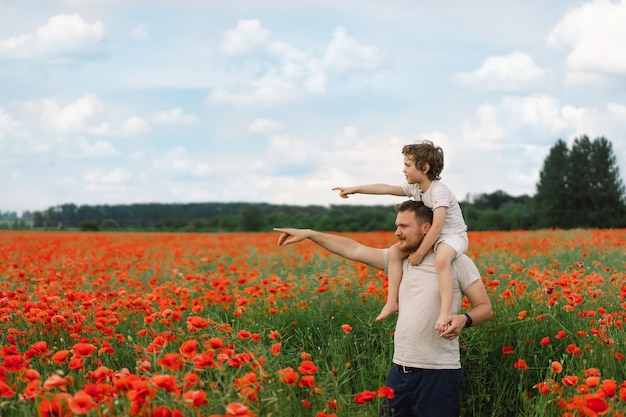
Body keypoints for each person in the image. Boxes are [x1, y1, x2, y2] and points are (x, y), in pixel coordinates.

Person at [274, 200, 491, 417]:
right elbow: (354, 249)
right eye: (397, 226)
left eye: (404, 227)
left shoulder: (456, 262)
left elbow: (484, 308)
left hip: (440, 375)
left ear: (426, 228)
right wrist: (311, 234)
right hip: (400, 372)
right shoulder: (400, 260)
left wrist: (465, 319)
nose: (397, 232)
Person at [333, 140, 468, 332]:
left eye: (407, 165)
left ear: (424, 168)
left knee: (441, 260)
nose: (403, 170)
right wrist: (355, 189)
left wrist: (420, 253)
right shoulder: (416, 188)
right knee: (396, 252)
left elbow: (437, 227)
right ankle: (392, 302)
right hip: (432, 234)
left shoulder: (439, 191)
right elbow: (386, 188)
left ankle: (445, 311)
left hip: (452, 236)